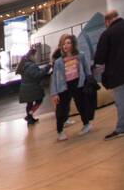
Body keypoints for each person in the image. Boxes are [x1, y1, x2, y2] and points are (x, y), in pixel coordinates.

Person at [51, 34, 94, 141]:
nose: (66, 45)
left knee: (81, 105)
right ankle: (60, 131)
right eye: (64, 43)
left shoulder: (81, 55)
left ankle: (87, 124)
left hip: (78, 84)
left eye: (68, 43)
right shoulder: (58, 62)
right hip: (64, 86)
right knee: (61, 109)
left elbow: (87, 70)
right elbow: (54, 78)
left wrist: (89, 82)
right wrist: (54, 93)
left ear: (73, 44)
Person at [93, 9, 124, 139]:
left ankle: (121, 128)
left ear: (107, 21)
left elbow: (100, 58)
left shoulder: (107, 34)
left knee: (121, 102)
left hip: (118, 75)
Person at [17, 46, 47, 125]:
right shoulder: (31, 65)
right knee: (39, 100)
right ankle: (29, 115)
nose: (36, 57)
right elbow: (37, 75)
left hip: (25, 89)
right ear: (31, 56)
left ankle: (30, 118)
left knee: (29, 103)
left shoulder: (24, 65)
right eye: (35, 55)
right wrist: (47, 68)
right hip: (31, 88)